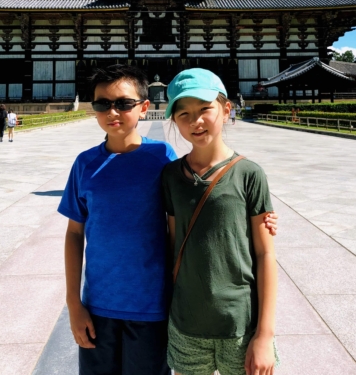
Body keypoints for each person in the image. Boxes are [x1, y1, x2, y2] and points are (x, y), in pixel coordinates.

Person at [57, 65, 279, 375]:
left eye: (123, 103)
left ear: (144, 107)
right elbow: (73, 234)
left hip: (153, 305)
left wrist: (257, 220)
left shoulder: (162, 158)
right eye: (102, 104)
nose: (113, 111)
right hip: (98, 304)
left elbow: (196, 205)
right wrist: (73, 303)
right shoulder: (85, 164)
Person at [162, 68, 279, 375]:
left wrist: (265, 334)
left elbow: (266, 253)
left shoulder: (249, 174)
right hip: (187, 323)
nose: (195, 121)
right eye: (183, 113)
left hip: (240, 323)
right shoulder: (171, 176)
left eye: (204, 109)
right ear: (174, 119)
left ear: (226, 110)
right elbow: (173, 243)